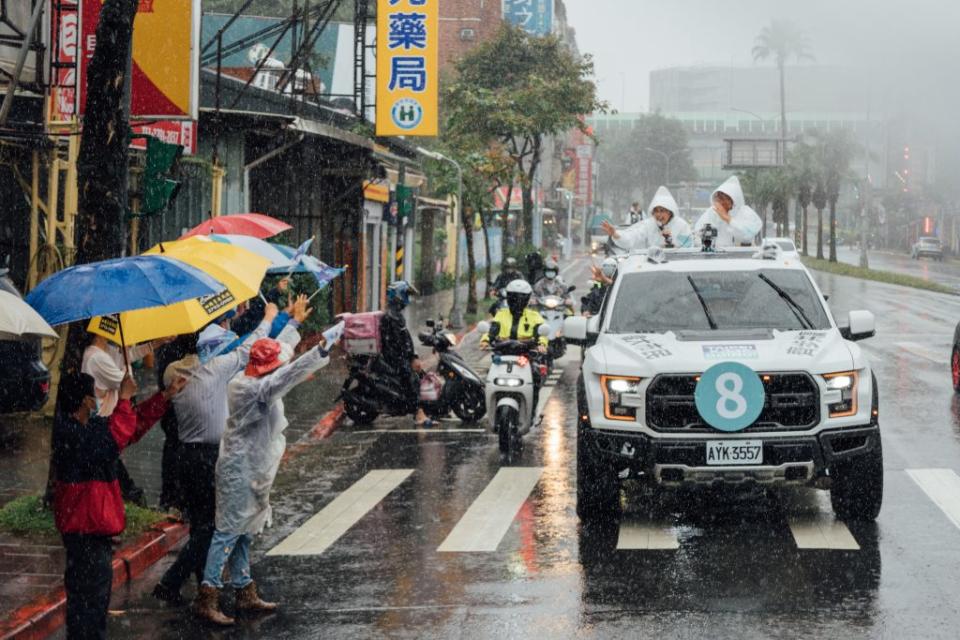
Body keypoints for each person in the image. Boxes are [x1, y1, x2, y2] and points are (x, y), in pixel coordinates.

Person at [193, 316, 344, 626]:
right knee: (227, 533)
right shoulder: (253, 389)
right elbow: (287, 374)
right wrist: (320, 350)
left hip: (252, 468)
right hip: (239, 470)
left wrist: (295, 326)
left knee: (244, 532)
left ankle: (244, 590)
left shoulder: (252, 378)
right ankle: (207, 596)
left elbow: (284, 355)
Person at [152, 301, 288, 605]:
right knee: (217, 524)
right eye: (222, 327)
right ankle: (174, 583)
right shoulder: (214, 369)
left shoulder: (174, 371)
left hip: (185, 456)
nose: (227, 331)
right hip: (209, 457)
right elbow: (251, 347)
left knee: (204, 522)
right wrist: (269, 317)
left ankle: (210, 585)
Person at [53, 372, 186, 640]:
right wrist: (123, 399)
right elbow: (112, 439)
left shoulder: (87, 428)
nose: (100, 400)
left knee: (91, 601)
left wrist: (164, 397)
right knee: (89, 601)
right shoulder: (71, 433)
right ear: (85, 401)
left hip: (91, 529)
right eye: (96, 395)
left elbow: (130, 427)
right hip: (85, 529)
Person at [81, 334, 168, 506]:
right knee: (113, 476)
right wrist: (127, 390)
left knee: (113, 472)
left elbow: (127, 357)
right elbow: (127, 381)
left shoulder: (106, 351)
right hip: (104, 425)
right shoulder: (96, 357)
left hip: (105, 424)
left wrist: (153, 344)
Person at [380, 281, 429, 424]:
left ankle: (427, 408)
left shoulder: (396, 314)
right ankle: (418, 412)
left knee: (420, 375)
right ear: (398, 295)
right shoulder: (392, 316)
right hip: (393, 357)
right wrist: (410, 358)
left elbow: (405, 340)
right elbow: (400, 343)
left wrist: (414, 356)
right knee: (409, 377)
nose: (407, 299)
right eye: (406, 295)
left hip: (396, 355)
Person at [694, 175, 762, 247]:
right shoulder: (711, 213)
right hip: (716, 256)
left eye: (723, 198)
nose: (720, 202)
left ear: (734, 199)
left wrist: (728, 219)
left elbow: (747, 236)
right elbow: (698, 237)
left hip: (742, 256)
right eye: (718, 198)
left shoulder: (746, 213)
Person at [481, 280, 549, 350]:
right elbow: (492, 331)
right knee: (496, 359)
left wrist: (542, 344)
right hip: (503, 350)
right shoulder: (501, 314)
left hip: (527, 351)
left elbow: (541, 334)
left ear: (527, 299)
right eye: (514, 298)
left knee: (540, 359)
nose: (517, 302)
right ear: (508, 298)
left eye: (521, 298)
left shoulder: (534, 316)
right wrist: (485, 341)